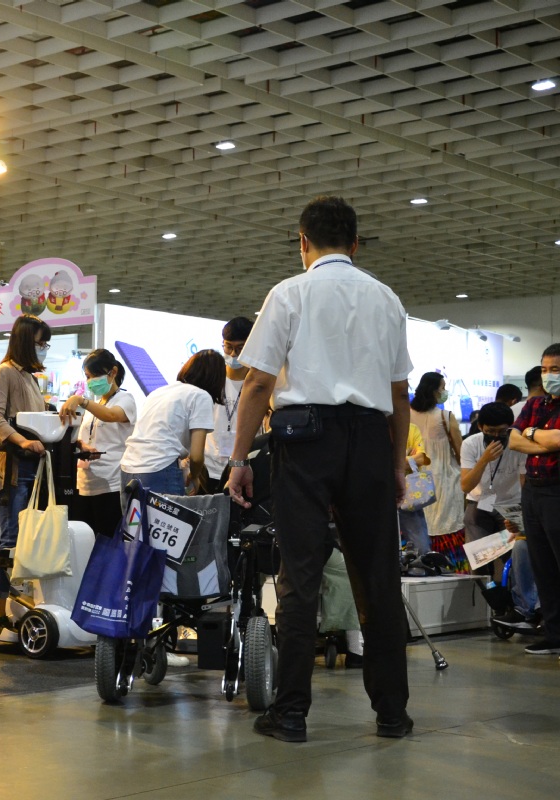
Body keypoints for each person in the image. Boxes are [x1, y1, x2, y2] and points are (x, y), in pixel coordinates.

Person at [226, 195, 413, 743]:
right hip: (371, 441)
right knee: (377, 578)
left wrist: (239, 460)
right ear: (355, 244)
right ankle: (392, 714)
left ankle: (290, 714)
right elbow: (399, 394)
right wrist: (396, 465)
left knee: (300, 577)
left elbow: (258, 383)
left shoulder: (289, 293)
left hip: (305, 442)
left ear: (302, 241)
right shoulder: (386, 298)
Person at [0, 315, 51, 640]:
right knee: (10, 541)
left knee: (28, 541)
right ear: (25, 341)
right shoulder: (4, 372)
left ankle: (18, 608)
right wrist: (22, 441)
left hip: (32, 468)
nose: (44, 347)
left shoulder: (30, 378)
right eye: (40, 342)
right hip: (12, 468)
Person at [461, 402, 537, 630]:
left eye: (502, 431)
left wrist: (524, 515)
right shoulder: (471, 444)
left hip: (512, 505)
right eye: (490, 431)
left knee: (516, 557)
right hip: (479, 504)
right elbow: (465, 485)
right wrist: (484, 459)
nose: (496, 436)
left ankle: (519, 607)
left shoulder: (517, 444)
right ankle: (496, 607)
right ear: (480, 427)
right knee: (478, 560)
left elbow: (525, 482)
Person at [508, 345, 560, 655]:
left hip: (557, 490)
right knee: (543, 566)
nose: (548, 375)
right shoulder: (535, 403)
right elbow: (513, 440)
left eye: (555, 369)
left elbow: (558, 438)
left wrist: (530, 433)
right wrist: (540, 438)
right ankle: (554, 634)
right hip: (533, 491)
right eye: (544, 369)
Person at [119, 349, 223, 501]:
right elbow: (196, 456)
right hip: (160, 469)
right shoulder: (201, 396)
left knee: (134, 517)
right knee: (167, 517)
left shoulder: (159, 392)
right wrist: (194, 476)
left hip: (128, 467)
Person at [59, 348, 137, 537]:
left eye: (95, 375)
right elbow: (86, 437)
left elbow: (111, 416)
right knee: (85, 540)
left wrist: (81, 400)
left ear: (113, 372)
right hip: (85, 483)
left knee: (108, 540)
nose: (91, 381)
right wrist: (81, 445)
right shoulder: (96, 405)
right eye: (87, 376)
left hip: (112, 483)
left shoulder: (125, 399)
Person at [409, 373, 465, 548]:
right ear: (433, 390)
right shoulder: (445, 417)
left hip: (414, 481)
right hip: (445, 481)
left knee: (416, 527)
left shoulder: (406, 416)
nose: (445, 391)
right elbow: (460, 452)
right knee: (447, 524)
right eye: (443, 387)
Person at [205, 317, 254, 494]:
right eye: (228, 347)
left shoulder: (257, 382)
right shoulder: (212, 379)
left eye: (240, 348)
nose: (233, 354)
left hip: (244, 467)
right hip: (209, 467)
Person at [399, 423, 432, 556]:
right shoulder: (374, 428)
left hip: (409, 496)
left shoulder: (411, 429)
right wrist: (409, 458)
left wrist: (395, 460)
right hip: (380, 494)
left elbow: (421, 458)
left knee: (421, 547)